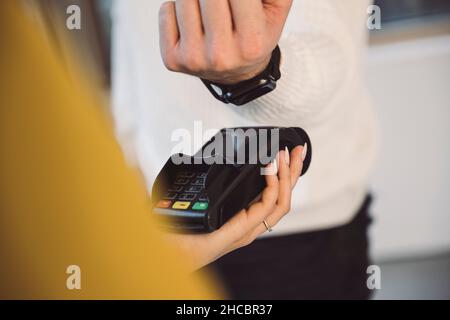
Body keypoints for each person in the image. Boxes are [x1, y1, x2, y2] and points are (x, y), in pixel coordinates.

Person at [0, 1, 303, 298]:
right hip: (149, 229)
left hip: (295, 235)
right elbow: (131, 66)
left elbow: (328, 54)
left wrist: (251, 76)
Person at [112, 0, 379, 299]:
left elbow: (325, 46)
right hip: (165, 230)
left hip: (289, 243)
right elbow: (133, 48)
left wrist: (254, 75)